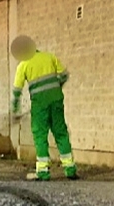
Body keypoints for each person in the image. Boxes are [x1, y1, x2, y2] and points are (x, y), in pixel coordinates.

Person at [10, 36, 77, 181]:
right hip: (56, 100)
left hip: (40, 104)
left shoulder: (23, 65)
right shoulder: (49, 57)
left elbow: (17, 90)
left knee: (40, 135)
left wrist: (15, 110)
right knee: (61, 132)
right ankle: (70, 168)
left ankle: (43, 171)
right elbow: (64, 75)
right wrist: (55, 87)